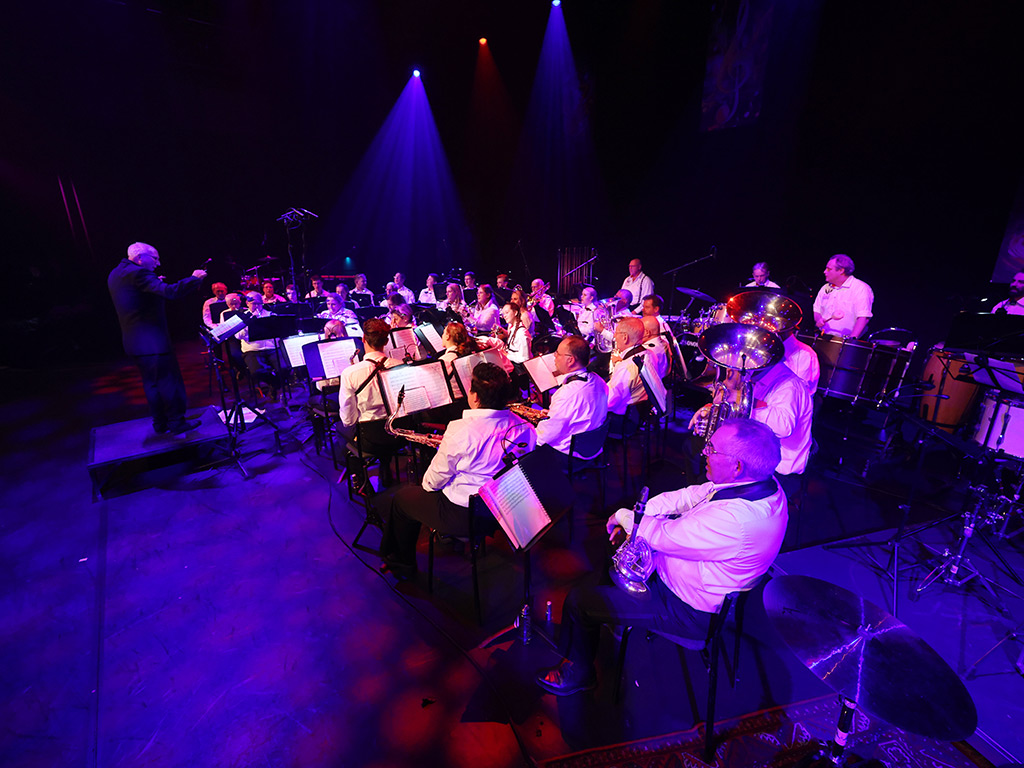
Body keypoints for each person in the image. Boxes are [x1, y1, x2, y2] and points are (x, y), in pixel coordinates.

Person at [536, 418, 787, 695]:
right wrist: (641, 514)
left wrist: (623, 516)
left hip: (686, 610)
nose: (704, 451)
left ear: (737, 466)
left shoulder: (738, 521)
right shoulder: (759, 482)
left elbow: (663, 535)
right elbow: (690, 495)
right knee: (615, 545)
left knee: (578, 601)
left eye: (712, 449)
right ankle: (607, 617)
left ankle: (579, 673)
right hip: (683, 581)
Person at [379, 363, 537, 577]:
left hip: (465, 515)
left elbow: (431, 483)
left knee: (402, 499)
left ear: (475, 397)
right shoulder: (525, 427)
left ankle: (401, 564)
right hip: (506, 509)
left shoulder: (460, 430)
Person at [107, 242, 207, 434]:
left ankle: (160, 423)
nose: (158, 263)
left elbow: (135, 297)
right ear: (140, 258)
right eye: (155, 258)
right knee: (169, 383)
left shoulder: (116, 273)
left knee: (151, 384)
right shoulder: (139, 273)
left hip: (135, 342)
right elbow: (170, 292)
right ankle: (177, 423)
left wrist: (154, 283)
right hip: (153, 342)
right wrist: (194, 279)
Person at [338, 318, 404, 478]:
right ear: (386, 341)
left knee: (340, 429)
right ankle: (385, 465)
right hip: (398, 434)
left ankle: (360, 481)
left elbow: (348, 419)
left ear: (363, 339)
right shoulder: (400, 365)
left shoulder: (350, 373)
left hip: (370, 440)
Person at [536, 336, 610, 461]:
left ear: (570, 360)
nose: (554, 356)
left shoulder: (567, 393)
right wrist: (554, 413)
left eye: (557, 353)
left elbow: (545, 437)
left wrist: (530, 432)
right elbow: (582, 412)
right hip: (593, 447)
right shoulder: (598, 380)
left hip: (571, 455)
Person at [812, 254, 873, 338]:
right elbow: (817, 310)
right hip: (822, 337)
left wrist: (850, 340)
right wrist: (819, 319)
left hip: (844, 340)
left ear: (841, 270)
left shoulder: (860, 288)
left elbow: (863, 317)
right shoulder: (825, 288)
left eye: (829, 269)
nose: (825, 272)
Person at [237, 292, 283, 400]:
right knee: (257, 372)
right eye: (254, 303)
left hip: (271, 348)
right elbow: (238, 336)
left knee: (284, 368)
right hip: (252, 349)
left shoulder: (271, 315)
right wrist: (248, 324)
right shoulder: (242, 317)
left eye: (259, 303)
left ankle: (275, 384)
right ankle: (273, 383)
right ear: (247, 303)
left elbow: (279, 333)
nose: (257, 306)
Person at [607, 318, 650, 418]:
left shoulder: (625, 367)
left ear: (625, 337)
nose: (614, 336)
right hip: (640, 412)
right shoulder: (650, 354)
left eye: (616, 333)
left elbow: (610, 402)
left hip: (623, 418)